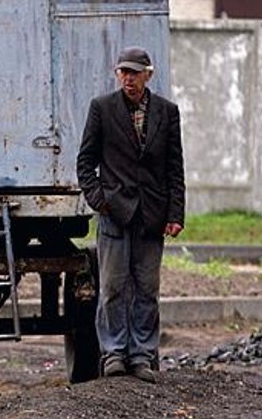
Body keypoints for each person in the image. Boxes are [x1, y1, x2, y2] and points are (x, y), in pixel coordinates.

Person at [75, 46, 185, 384]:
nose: (128, 78)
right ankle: (113, 353)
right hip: (115, 214)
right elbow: (85, 162)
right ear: (117, 73)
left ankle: (141, 354)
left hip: (151, 214)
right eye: (123, 72)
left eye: (135, 73)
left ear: (148, 74)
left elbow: (174, 167)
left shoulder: (167, 112)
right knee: (112, 286)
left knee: (146, 288)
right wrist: (100, 200)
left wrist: (176, 213)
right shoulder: (102, 109)